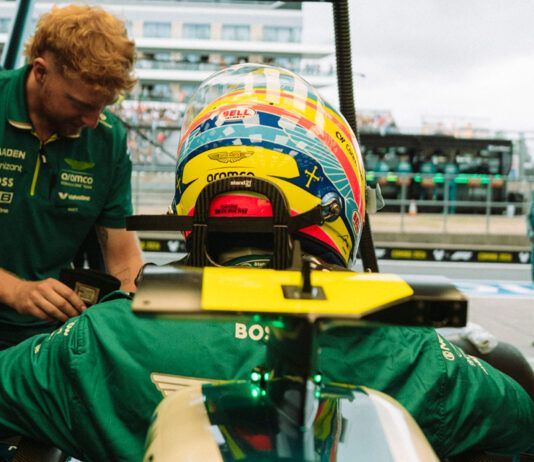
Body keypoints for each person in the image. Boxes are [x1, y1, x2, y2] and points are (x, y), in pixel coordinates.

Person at [0, 64, 532, 462]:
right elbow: (520, 422)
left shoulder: (96, 339)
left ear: (191, 202)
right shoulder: (414, 353)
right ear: (337, 199)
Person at [0, 4, 143, 349]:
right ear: (41, 71)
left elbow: (122, 256)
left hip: (47, 339)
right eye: (81, 105)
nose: (93, 120)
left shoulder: (107, 139)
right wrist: (15, 290)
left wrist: (134, 317)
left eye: (103, 106)